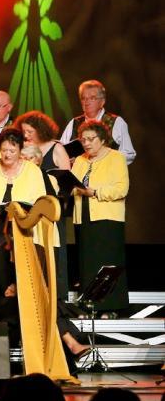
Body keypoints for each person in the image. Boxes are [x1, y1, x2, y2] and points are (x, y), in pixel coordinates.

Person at [0, 128, 48, 326]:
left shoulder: (32, 171)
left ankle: (19, 327)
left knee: (19, 282)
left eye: (12, 151)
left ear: (20, 150)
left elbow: (42, 204)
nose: (7, 154)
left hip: (22, 233)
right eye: (4, 150)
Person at [70, 120, 130, 315]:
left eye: (91, 139)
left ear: (102, 139)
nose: (86, 143)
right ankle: (91, 306)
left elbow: (121, 189)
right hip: (84, 217)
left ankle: (110, 307)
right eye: (83, 139)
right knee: (88, 263)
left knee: (107, 262)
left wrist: (95, 192)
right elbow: (72, 186)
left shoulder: (116, 158)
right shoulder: (80, 160)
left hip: (107, 219)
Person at [59, 80, 135, 164]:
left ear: (102, 101)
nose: (86, 102)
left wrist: (103, 159)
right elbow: (60, 153)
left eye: (92, 98)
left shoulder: (116, 122)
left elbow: (129, 155)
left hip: (106, 174)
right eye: (83, 98)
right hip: (79, 175)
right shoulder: (74, 123)